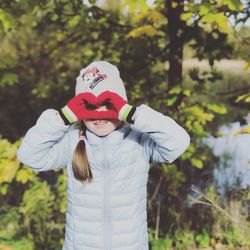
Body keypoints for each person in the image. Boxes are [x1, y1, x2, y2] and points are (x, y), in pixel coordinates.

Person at [17, 61, 190, 250]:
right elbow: (29, 156)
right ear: (78, 110)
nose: (99, 115)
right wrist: (63, 117)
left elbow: (178, 142)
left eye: (108, 105)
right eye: (89, 106)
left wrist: (131, 113)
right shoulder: (71, 141)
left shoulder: (138, 141)